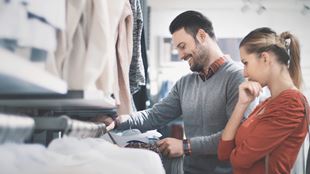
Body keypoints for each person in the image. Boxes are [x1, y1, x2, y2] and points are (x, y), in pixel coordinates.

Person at [99, 10, 253, 174]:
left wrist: (185, 146)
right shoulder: (185, 83)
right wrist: (120, 120)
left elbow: (237, 136)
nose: (180, 55)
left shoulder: (237, 78)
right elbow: (155, 115)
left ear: (201, 36)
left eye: (182, 46)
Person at [218, 27, 309, 174]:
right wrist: (241, 104)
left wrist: (234, 152)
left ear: (265, 58)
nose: (244, 72)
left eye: (246, 62)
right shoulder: (266, 103)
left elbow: (239, 160)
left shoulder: (292, 104)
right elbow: (224, 153)